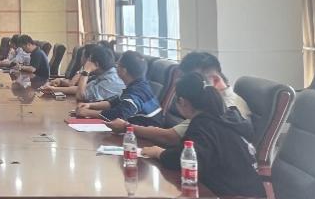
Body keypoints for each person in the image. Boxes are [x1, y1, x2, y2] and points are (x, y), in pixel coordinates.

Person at [106, 51, 251, 146]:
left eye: (194, 81)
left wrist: (127, 127)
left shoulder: (227, 109)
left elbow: (171, 137)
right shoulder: (214, 100)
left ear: (214, 80)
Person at [75, 50, 160, 121]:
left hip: (145, 132)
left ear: (124, 70)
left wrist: (88, 113)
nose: (116, 68)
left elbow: (119, 114)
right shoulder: (140, 85)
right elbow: (115, 102)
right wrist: (90, 105)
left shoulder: (135, 93)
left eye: (118, 65)